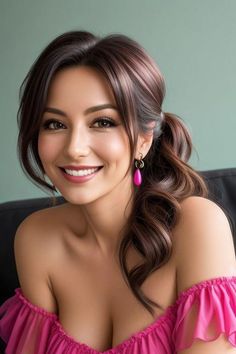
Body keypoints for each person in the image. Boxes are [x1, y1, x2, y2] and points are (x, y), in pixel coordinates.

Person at [0, 30, 235, 354]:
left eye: (102, 122)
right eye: (55, 124)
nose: (75, 148)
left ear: (143, 138)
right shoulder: (36, 239)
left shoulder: (197, 225)